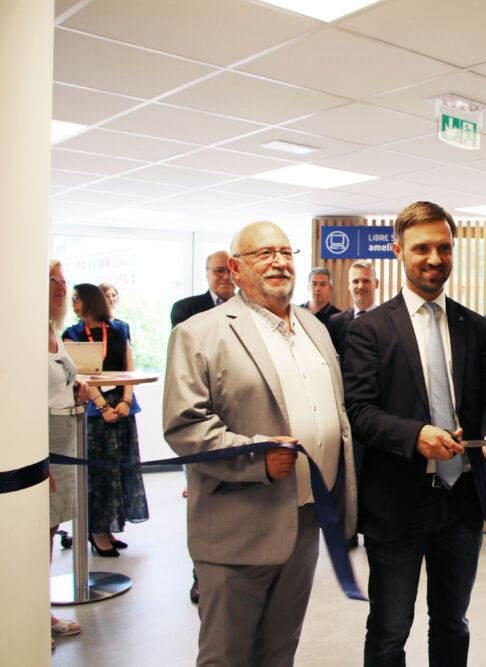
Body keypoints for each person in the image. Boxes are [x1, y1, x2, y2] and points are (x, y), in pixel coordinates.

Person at [162, 221, 357, 666]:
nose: (279, 262)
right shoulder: (199, 333)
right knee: (228, 655)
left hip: (306, 518)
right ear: (234, 267)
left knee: (280, 648)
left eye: (286, 252)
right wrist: (257, 458)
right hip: (238, 527)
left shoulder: (314, 327)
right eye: (264, 253)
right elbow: (184, 426)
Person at [342, 201, 486, 667]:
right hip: (398, 502)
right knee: (390, 630)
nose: (434, 258)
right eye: (422, 248)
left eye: (443, 247)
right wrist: (416, 434)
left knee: (452, 624)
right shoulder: (370, 330)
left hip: (461, 501)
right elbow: (358, 413)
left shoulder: (475, 326)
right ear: (398, 250)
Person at [169, 250, 236, 603]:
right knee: (203, 505)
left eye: (229, 271)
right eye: (217, 271)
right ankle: (201, 576)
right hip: (201, 423)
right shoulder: (186, 309)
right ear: (207, 273)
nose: (224, 277)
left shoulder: (252, 311)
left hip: (237, 423)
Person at [62, 283, 149, 557]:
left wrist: (125, 400)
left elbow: (128, 365)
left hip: (122, 407)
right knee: (98, 473)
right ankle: (96, 531)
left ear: (89, 301)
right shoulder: (72, 334)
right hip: (94, 410)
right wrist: (102, 407)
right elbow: (82, 374)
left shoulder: (118, 329)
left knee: (120, 468)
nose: (73, 303)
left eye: (77, 298)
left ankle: (110, 528)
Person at [48, 261, 88, 641]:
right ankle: (30, 614)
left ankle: (38, 611)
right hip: (39, 444)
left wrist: (80, 388)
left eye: (63, 281)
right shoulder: (19, 329)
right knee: (34, 531)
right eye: (52, 280)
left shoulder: (52, 331)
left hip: (65, 437)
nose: (61, 287)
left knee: (49, 529)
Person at [169, 250, 236, 327]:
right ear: (207, 274)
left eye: (231, 271)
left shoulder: (248, 307)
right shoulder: (186, 308)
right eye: (219, 271)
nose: (226, 277)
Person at [327, 260, 379, 357]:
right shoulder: (336, 323)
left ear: (376, 283)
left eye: (366, 281)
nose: (360, 286)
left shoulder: (388, 320)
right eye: (355, 281)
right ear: (349, 285)